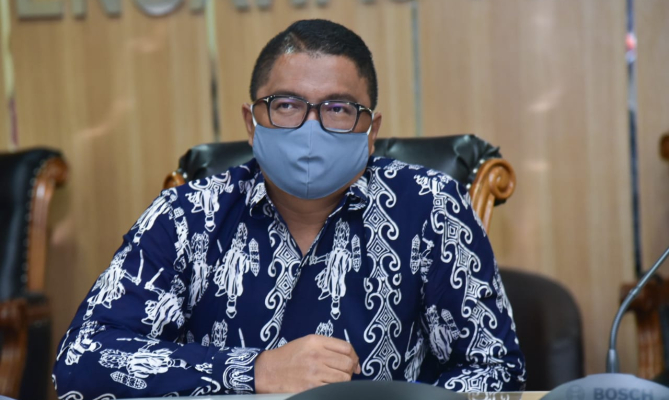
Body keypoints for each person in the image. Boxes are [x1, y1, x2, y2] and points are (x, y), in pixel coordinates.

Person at [53, 19, 526, 398]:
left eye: (338, 109)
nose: (310, 129)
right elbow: (81, 359)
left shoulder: (430, 205)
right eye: (286, 105)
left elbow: (496, 369)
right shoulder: (187, 215)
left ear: (371, 131)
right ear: (252, 122)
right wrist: (253, 370)